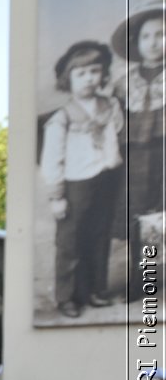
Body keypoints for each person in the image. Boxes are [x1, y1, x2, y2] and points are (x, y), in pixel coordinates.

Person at [41, 40, 124, 318]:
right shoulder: (62, 117)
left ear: (103, 75)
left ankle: (95, 290)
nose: (89, 78)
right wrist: (56, 196)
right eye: (81, 73)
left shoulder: (110, 106)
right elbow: (52, 158)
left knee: (99, 236)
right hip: (76, 183)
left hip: (105, 178)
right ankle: (67, 297)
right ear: (69, 79)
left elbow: (117, 134)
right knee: (70, 242)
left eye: (95, 71)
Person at [113, 0, 165, 303]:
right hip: (136, 160)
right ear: (136, 42)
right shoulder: (124, 83)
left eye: (161, 35)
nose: (154, 43)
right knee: (142, 218)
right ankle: (143, 281)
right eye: (147, 36)